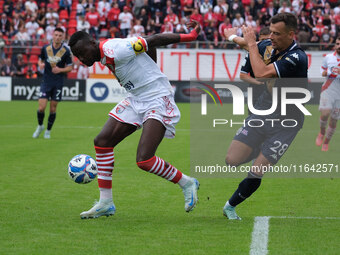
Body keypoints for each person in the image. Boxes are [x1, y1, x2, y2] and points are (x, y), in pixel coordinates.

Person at [68, 20, 201, 219]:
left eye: (82, 53)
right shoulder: (104, 55)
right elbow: (147, 46)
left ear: (92, 43)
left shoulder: (116, 49)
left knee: (144, 160)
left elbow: (154, 39)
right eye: (77, 56)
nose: (81, 59)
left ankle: (187, 182)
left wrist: (190, 37)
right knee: (102, 142)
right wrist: (150, 66)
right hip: (136, 99)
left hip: (157, 98)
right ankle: (105, 203)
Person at [222, 13, 308, 220]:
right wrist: (232, 37)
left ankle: (230, 206)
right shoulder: (269, 45)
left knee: (258, 169)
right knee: (231, 160)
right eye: (270, 32)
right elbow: (247, 43)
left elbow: (260, 72)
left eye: (277, 33)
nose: (272, 36)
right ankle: (264, 148)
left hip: (288, 120)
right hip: (264, 110)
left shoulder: (297, 57)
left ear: (291, 34)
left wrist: (251, 44)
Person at [32, 28, 73, 139]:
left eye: (60, 35)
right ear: (52, 35)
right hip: (46, 81)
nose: (58, 37)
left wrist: (60, 70)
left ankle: (48, 131)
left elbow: (70, 67)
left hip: (58, 83)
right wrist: (40, 64)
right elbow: (40, 59)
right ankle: (40, 126)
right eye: (56, 35)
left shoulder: (66, 51)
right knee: (41, 107)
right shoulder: (46, 48)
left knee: (53, 109)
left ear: (63, 37)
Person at [315, 37, 340, 152]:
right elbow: (322, 69)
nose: (338, 46)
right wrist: (324, 72)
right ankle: (321, 132)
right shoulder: (329, 57)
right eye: (337, 43)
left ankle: (326, 142)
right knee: (325, 114)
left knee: (334, 120)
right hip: (328, 89)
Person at [239, 26, 271, 114]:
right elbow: (242, 75)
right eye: (263, 40)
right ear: (259, 38)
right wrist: (259, 83)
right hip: (256, 91)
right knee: (253, 119)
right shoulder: (252, 53)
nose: (265, 43)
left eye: (268, 40)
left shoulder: (277, 52)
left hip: (273, 91)